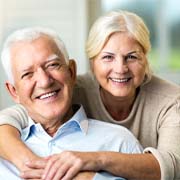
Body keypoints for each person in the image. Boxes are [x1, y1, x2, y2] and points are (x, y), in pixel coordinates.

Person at [0, 10, 180, 180]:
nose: (120, 69)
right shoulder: (66, 89)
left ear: (146, 59)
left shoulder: (170, 101)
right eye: (108, 57)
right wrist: (31, 164)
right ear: (92, 62)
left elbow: (173, 166)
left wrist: (94, 163)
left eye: (132, 57)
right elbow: (16, 115)